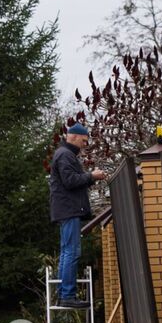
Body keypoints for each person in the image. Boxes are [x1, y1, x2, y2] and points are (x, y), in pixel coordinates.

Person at [49, 123, 105, 308]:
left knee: (67, 252)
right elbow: (70, 181)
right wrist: (91, 176)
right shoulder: (65, 155)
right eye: (84, 140)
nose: (84, 144)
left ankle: (64, 294)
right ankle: (67, 295)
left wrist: (88, 178)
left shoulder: (64, 154)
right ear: (73, 137)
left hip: (66, 209)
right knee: (71, 252)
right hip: (69, 210)